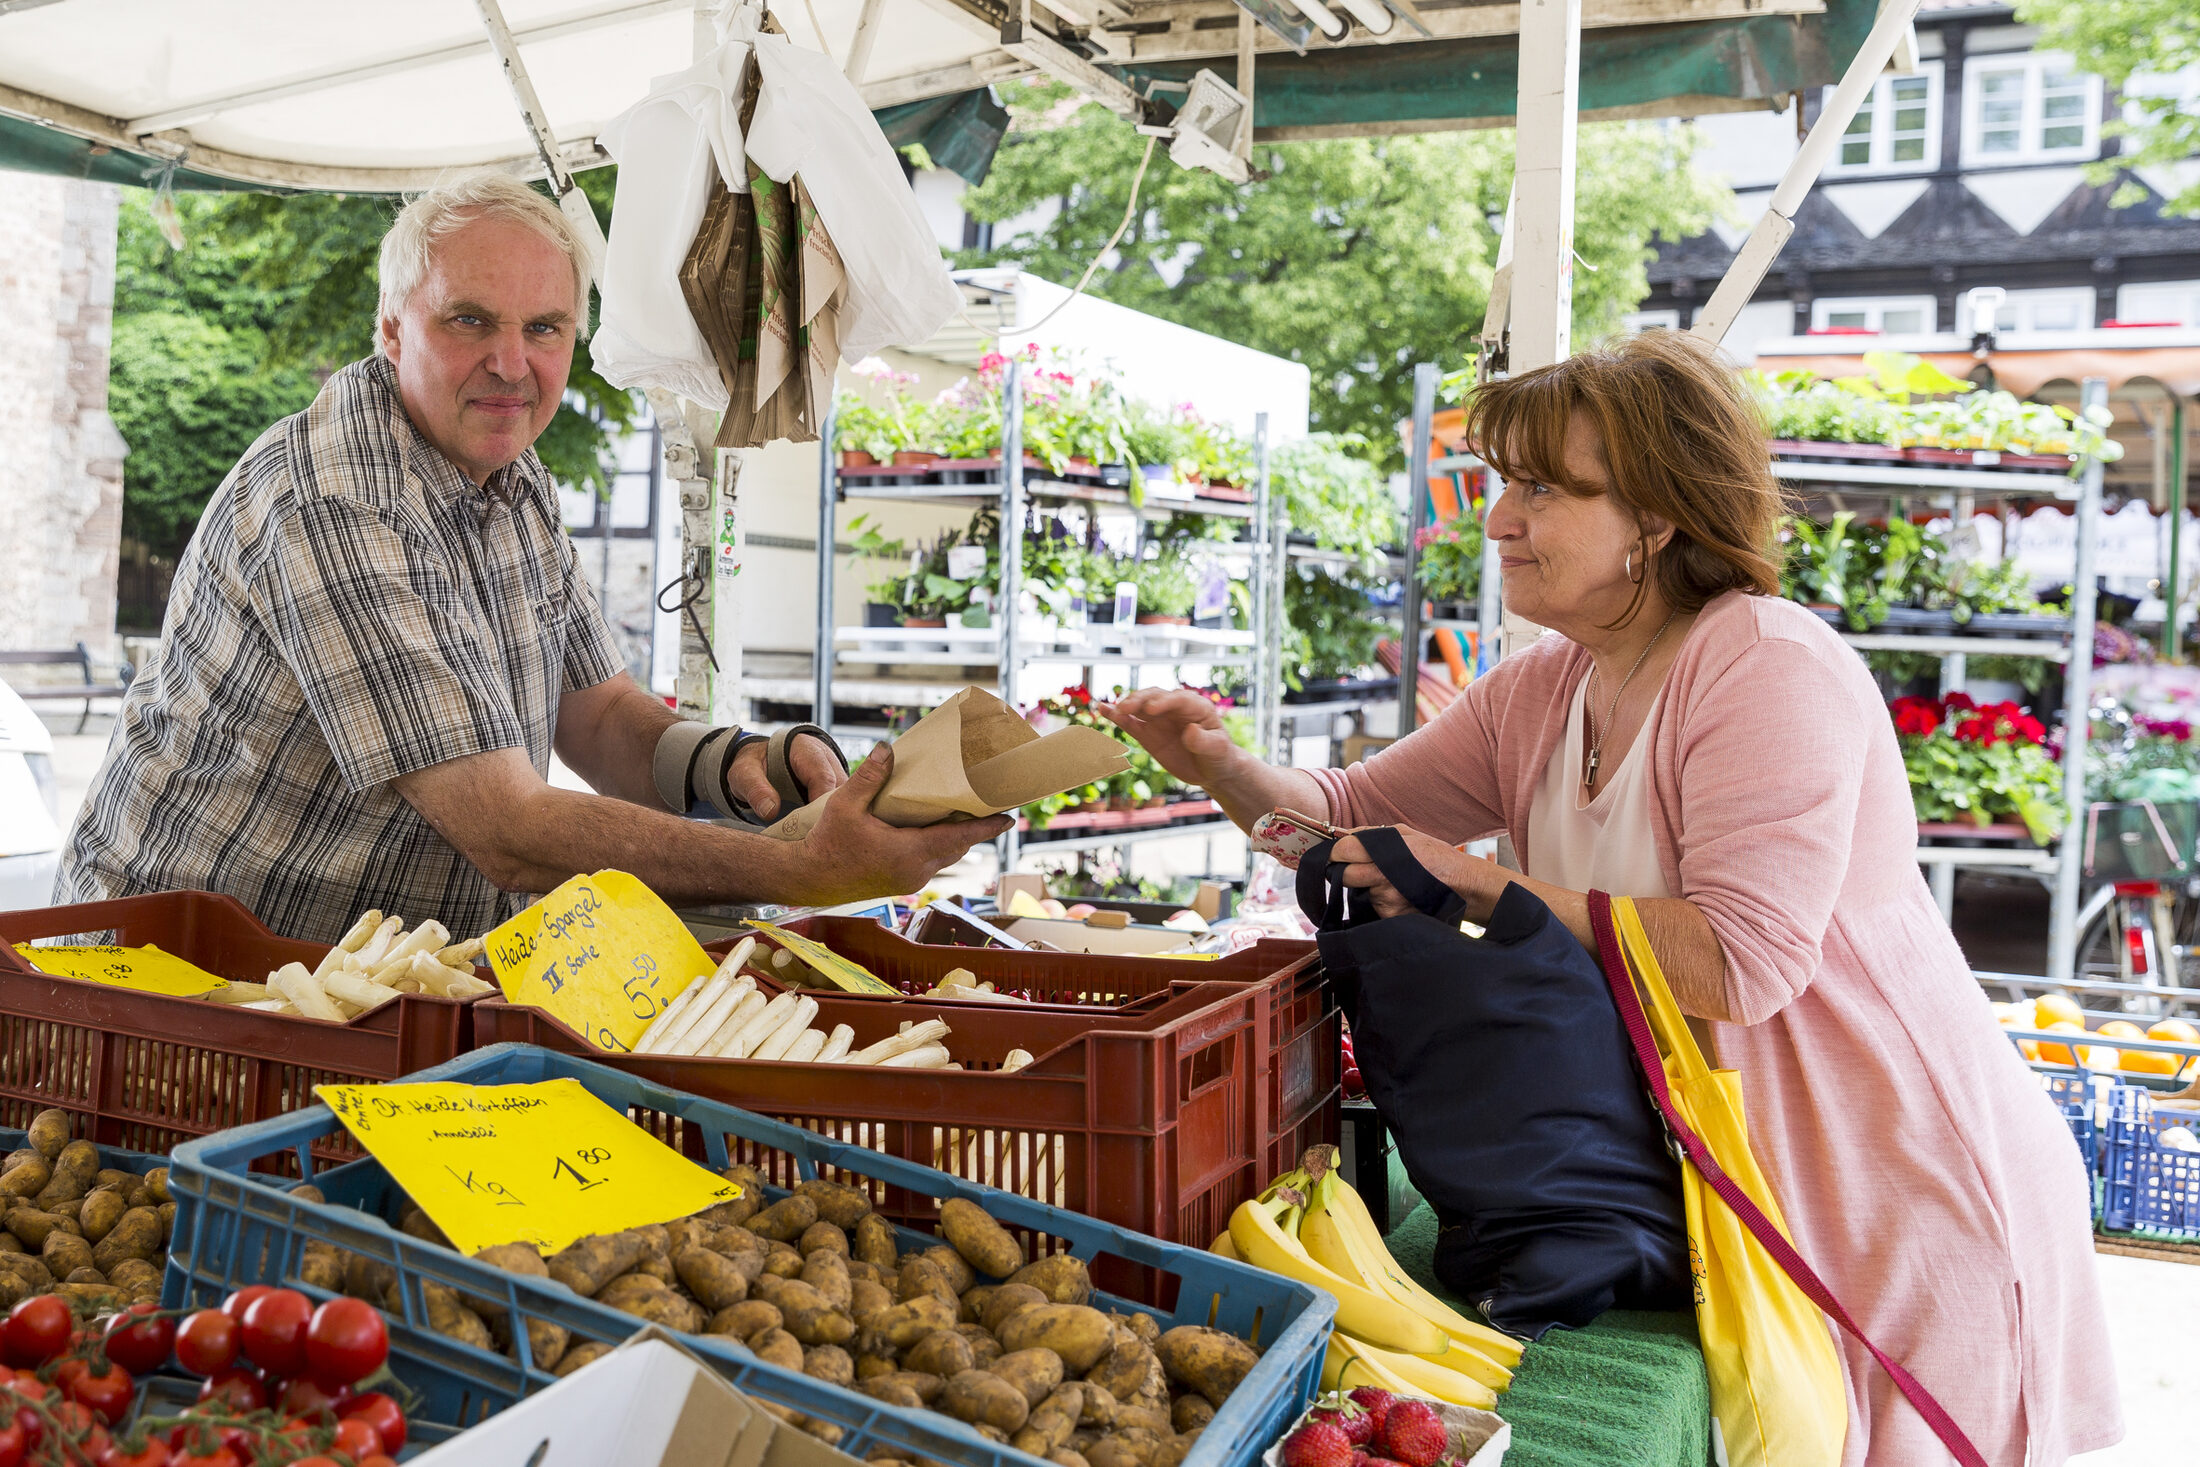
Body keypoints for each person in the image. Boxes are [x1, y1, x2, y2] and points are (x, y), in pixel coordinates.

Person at [1105, 331, 2120, 1465]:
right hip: (1727, 1171)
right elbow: (1353, 821)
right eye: (1503, 485)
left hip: (1881, 1176)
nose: (1499, 520)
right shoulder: (1544, 687)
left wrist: (1494, 889)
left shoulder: (1764, 666)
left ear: (1657, 515)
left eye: (1543, 488)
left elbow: (1742, 965)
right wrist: (1221, 769)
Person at [57, 172, 1006, 944]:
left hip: (339, 982)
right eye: (469, 320)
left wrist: (745, 762)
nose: (513, 362)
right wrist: (801, 867)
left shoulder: (513, 479)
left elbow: (599, 719)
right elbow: (507, 828)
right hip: (168, 979)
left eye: (544, 327)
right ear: (391, 331)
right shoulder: (333, 493)